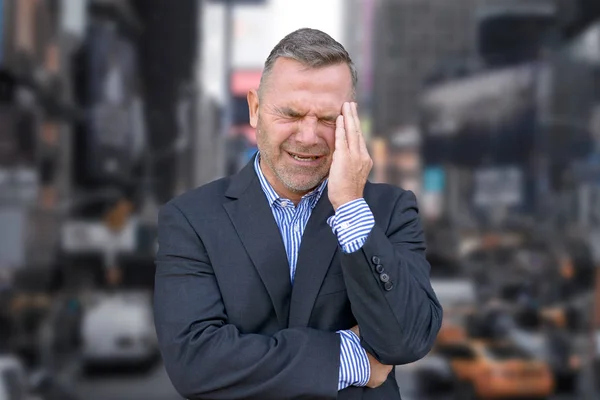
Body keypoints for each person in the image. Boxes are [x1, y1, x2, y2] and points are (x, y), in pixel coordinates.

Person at [154, 28, 442, 399]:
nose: (308, 136)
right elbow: (195, 362)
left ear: (352, 122)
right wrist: (347, 357)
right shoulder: (190, 219)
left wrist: (351, 208)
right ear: (255, 109)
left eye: (327, 119)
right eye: (290, 114)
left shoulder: (390, 210)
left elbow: (410, 338)